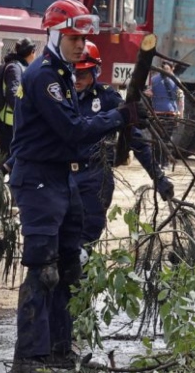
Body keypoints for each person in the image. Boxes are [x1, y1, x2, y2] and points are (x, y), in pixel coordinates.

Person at [8, 0, 144, 373]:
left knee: (70, 267)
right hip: (39, 180)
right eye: (73, 38)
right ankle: (29, 358)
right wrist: (118, 118)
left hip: (61, 178)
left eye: (84, 39)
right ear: (53, 34)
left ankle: (60, 350)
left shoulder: (64, 74)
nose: (81, 45)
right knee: (43, 269)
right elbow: (71, 129)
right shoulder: (44, 77)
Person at [74, 41, 174, 246]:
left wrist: (158, 177)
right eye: (73, 73)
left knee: (85, 241)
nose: (77, 79)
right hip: (64, 176)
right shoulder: (61, 97)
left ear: (95, 72)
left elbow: (135, 140)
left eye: (83, 74)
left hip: (95, 177)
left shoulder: (107, 98)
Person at [0, 37, 38, 160]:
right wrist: (26, 113)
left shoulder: (18, 66)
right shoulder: (15, 68)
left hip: (12, 122)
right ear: (31, 52)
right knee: (11, 160)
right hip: (10, 124)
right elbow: (12, 94)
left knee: (10, 159)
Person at [146, 60, 182, 168]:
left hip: (158, 112)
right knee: (166, 138)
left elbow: (149, 92)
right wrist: (180, 113)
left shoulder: (153, 79)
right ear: (172, 68)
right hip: (169, 112)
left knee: (158, 138)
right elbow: (181, 98)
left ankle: (158, 161)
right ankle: (163, 162)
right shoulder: (175, 80)